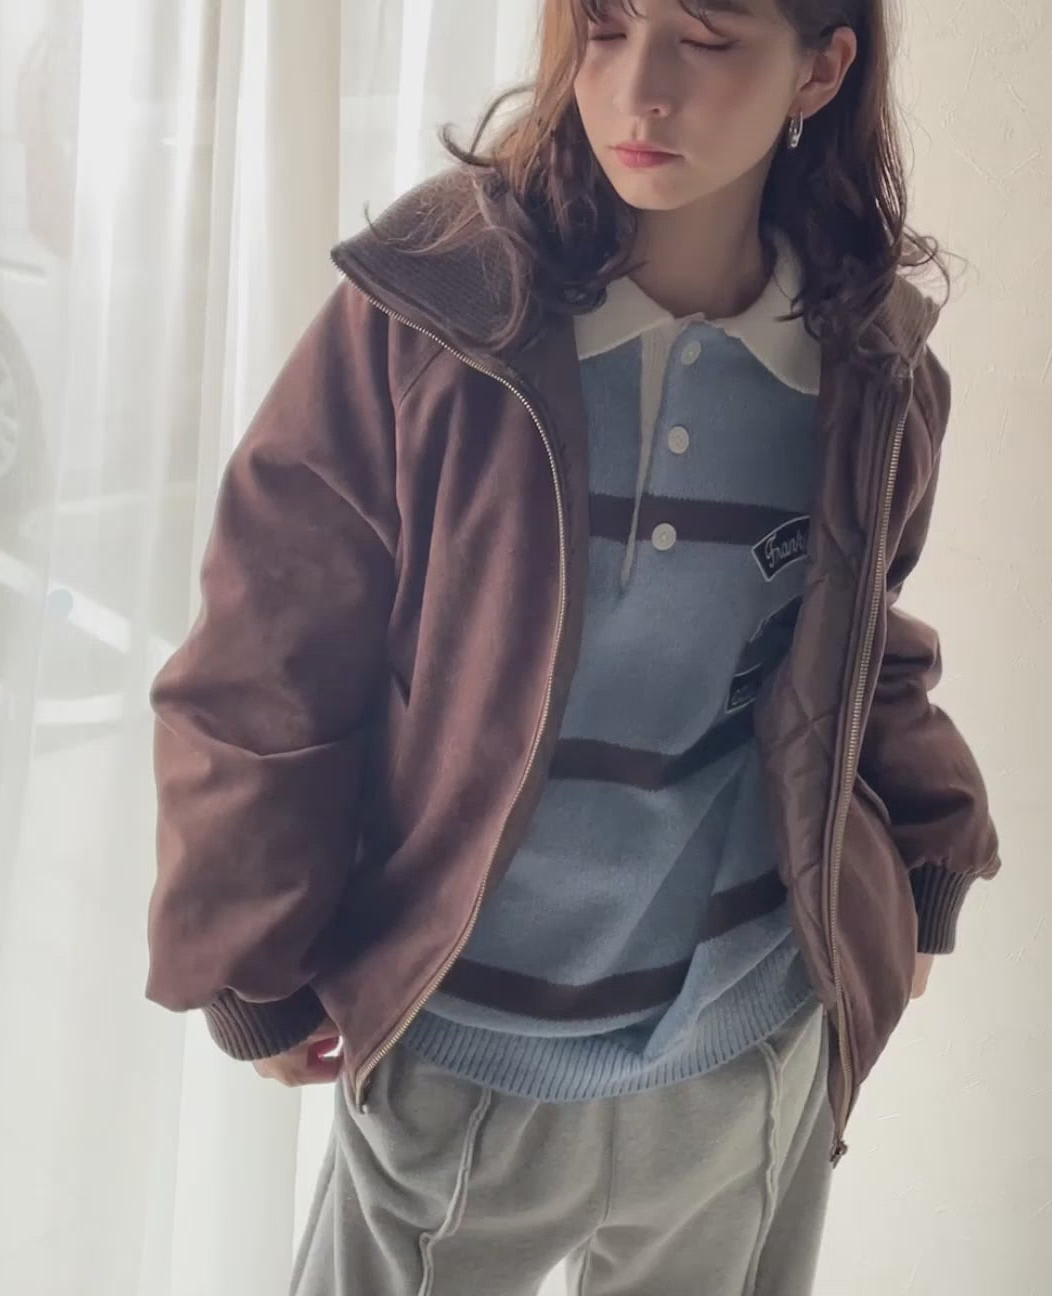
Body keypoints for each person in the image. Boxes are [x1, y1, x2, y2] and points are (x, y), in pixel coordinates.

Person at [145, 1, 1002, 1292]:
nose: (639, 89)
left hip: (741, 1053)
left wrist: (931, 855)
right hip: (461, 1052)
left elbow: (861, 647)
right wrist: (250, 962)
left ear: (822, 69)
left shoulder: (869, 373)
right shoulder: (438, 319)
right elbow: (269, 649)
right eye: (604, 28)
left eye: (706, 39)